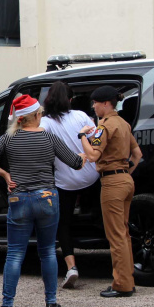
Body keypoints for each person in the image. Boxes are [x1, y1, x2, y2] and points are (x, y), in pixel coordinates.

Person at [0, 94, 84, 307]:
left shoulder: (9, 138)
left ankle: (7, 305)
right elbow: (75, 162)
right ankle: (51, 302)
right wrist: (87, 150)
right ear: (36, 115)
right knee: (47, 252)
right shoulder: (49, 137)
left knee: (15, 253)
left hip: (19, 199)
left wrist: (6, 174)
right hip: (47, 198)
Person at [78, 86, 143, 298]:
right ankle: (128, 279)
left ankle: (122, 284)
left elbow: (94, 155)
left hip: (112, 184)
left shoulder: (104, 126)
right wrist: (125, 172)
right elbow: (137, 154)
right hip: (125, 180)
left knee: (115, 236)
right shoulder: (123, 123)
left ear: (106, 103)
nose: (93, 107)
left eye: (95, 103)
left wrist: (82, 137)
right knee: (123, 234)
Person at [39, 81, 100, 289]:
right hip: (92, 175)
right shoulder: (81, 116)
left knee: (63, 224)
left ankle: (71, 267)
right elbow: (97, 139)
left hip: (66, 182)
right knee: (100, 214)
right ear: (70, 100)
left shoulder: (45, 124)